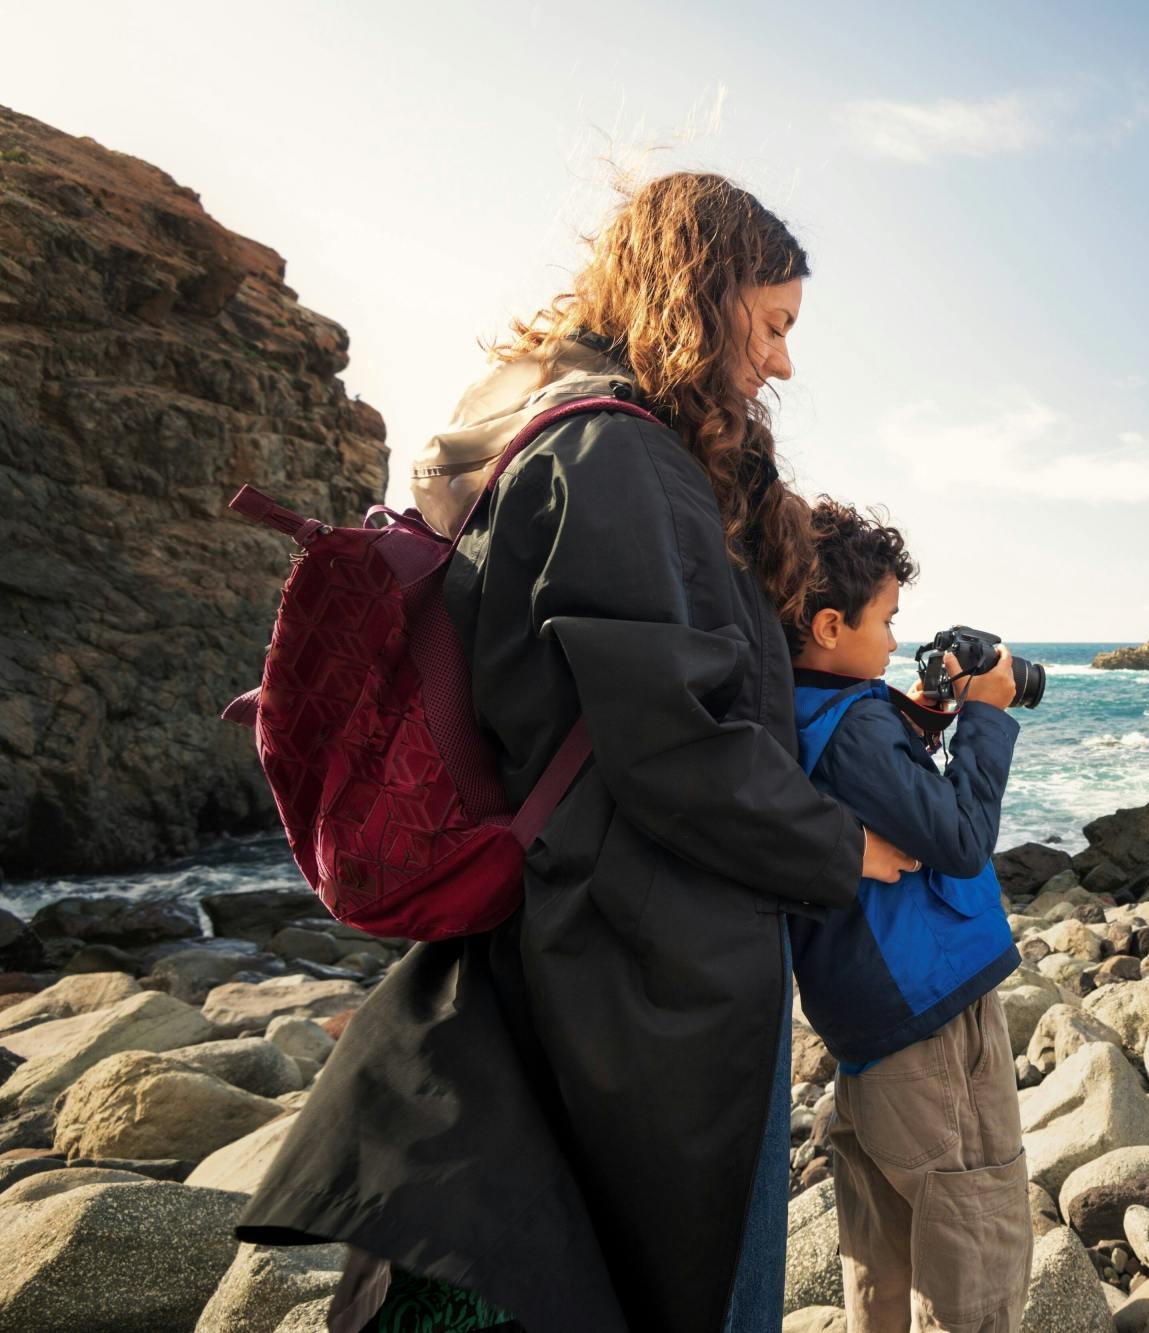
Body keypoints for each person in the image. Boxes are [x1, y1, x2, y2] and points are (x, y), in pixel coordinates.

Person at [236, 173, 920, 1332]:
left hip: (583, 934)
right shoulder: (618, 456)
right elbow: (674, 747)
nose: (783, 364)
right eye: (772, 326)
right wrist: (840, 843)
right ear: (700, 301)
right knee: (682, 1282)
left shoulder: (567, 433)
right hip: (641, 961)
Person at [787, 501, 1032, 1332]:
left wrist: (923, 710)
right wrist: (989, 712)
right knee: (974, 1231)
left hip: (866, 1017)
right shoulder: (853, 725)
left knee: (883, 1250)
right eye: (886, 621)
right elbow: (959, 838)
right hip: (927, 1009)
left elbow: (884, 783)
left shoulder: (800, 705)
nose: (894, 640)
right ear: (828, 624)